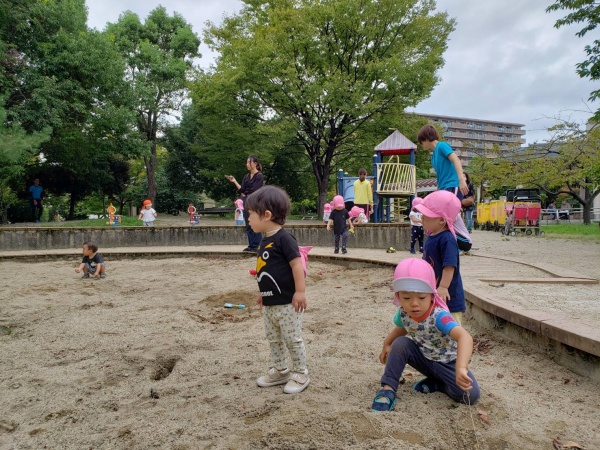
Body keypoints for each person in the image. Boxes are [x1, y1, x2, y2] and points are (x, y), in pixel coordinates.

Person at [370, 258, 480, 412]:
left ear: (431, 295)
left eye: (421, 297)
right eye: (406, 298)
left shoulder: (439, 316)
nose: (414, 303)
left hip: (447, 364)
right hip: (424, 359)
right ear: (398, 296)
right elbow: (401, 330)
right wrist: (387, 344)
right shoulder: (404, 314)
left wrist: (461, 367)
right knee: (401, 343)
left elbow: (465, 337)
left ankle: (439, 384)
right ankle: (388, 388)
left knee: (470, 396)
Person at [245, 185, 310, 394]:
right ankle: (281, 370)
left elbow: (296, 265)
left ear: (266, 215)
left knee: (292, 339)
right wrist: (262, 293)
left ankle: (300, 373)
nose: (248, 218)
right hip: (270, 304)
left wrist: (300, 292)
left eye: (250, 214)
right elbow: (266, 270)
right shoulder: (264, 241)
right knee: (273, 338)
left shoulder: (284, 238)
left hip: (288, 303)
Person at [414, 190, 466, 325]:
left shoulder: (447, 239)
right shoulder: (432, 236)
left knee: (451, 326)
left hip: (448, 296)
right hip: (435, 293)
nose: (422, 218)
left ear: (442, 220)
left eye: (426, 215)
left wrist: (443, 286)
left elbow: (449, 266)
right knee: (435, 325)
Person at [417, 125, 472, 246]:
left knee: (450, 217)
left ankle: (465, 240)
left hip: (452, 184)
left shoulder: (442, 146)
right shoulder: (433, 157)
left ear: (426, 138)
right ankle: (452, 242)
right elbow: (440, 175)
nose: (421, 145)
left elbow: (456, 160)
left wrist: (461, 180)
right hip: (443, 188)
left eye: (421, 142)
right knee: (443, 218)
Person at [226, 155, 265, 253]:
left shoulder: (259, 176)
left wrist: (245, 194)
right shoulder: (246, 176)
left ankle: (258, 245)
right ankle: (251, 245)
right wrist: (234, 181)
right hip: (246, 202)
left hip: (255, 203)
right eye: (247, 162)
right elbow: (242, 189)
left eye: (249, 162)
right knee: (248, 224)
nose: (247, 164)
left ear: (255, 164)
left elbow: (255, 190)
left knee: (256, 223)